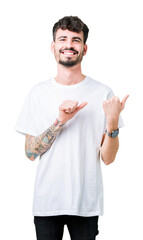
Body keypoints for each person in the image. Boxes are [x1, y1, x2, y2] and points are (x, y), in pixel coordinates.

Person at [15, 16, 129, 240]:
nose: (69, 45)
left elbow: (108, 158)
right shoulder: (38, 93)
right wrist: (59, 121)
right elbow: (30, 153)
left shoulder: (102, 93)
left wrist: (113, 123)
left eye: (76, 40)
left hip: (86, 204)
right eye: (63, 39)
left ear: (84, 48)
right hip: (48, 203)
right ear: (53, 46)